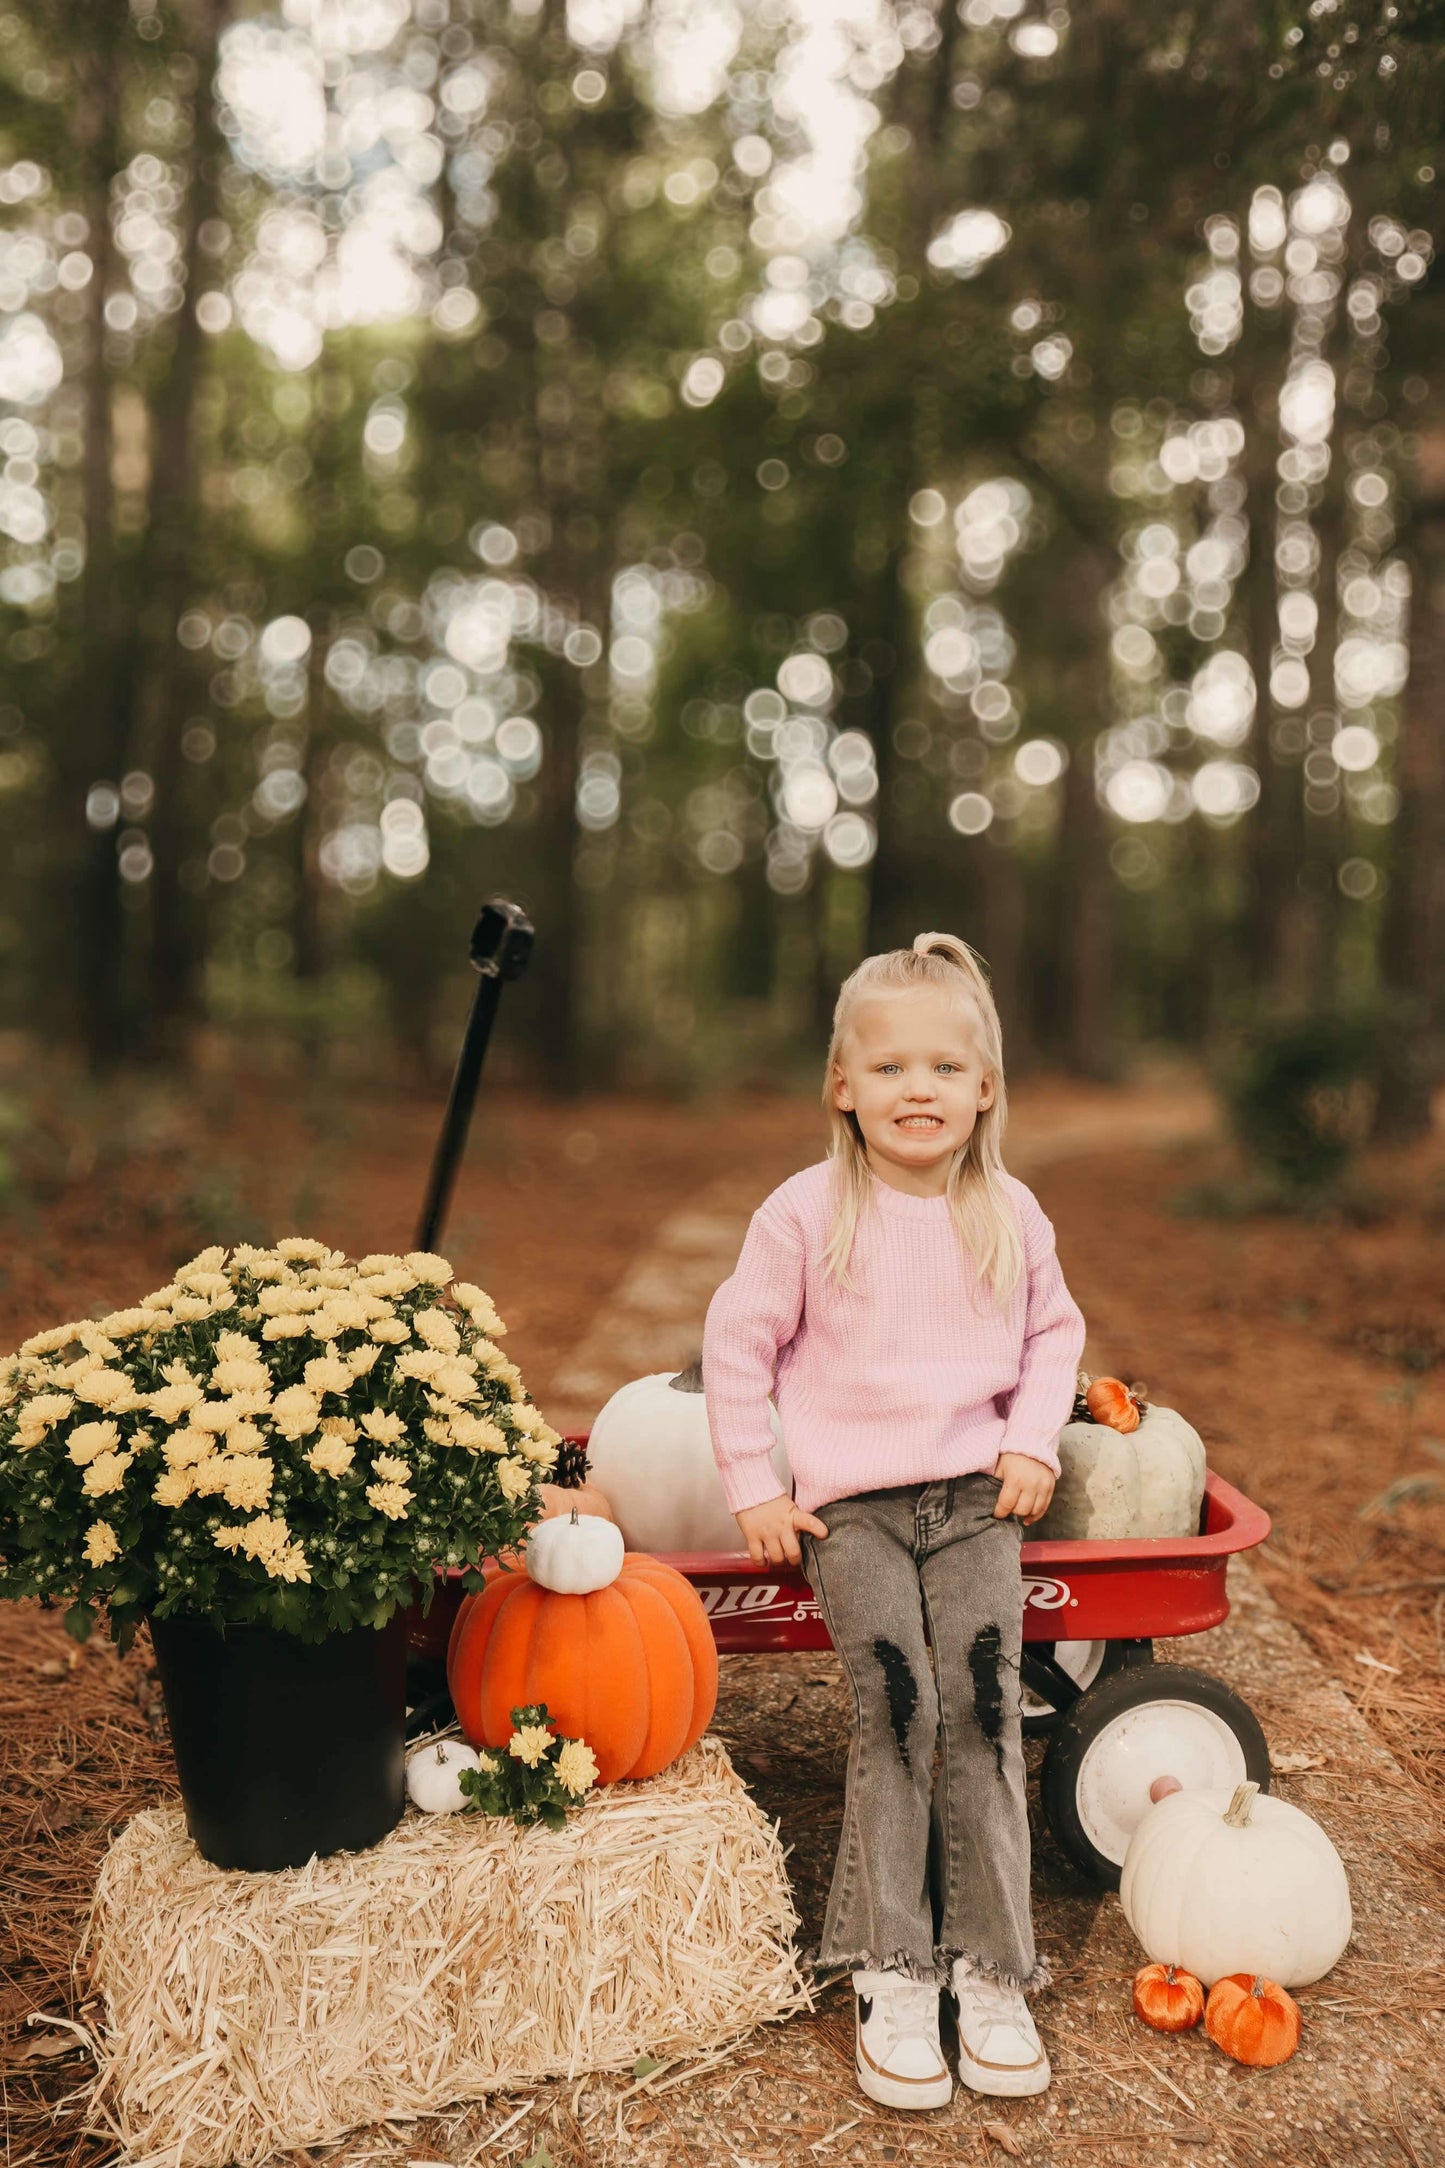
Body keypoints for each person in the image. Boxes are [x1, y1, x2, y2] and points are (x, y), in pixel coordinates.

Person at [701, 932, 1085, 2111]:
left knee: (979, 1703)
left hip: (974, 1498)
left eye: (942, 1066)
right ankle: (893, 1967)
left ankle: (991, 1966)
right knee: (898, 1702)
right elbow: (736, 1341)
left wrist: (1029, 1439)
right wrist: (754, 1482)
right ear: (841, 1084)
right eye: (888, 1067)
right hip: (848, 1510)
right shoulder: (805, 1211)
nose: (916, 1088)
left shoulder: (1007, 1210)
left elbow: (1052, 1334)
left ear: (984, 1086)